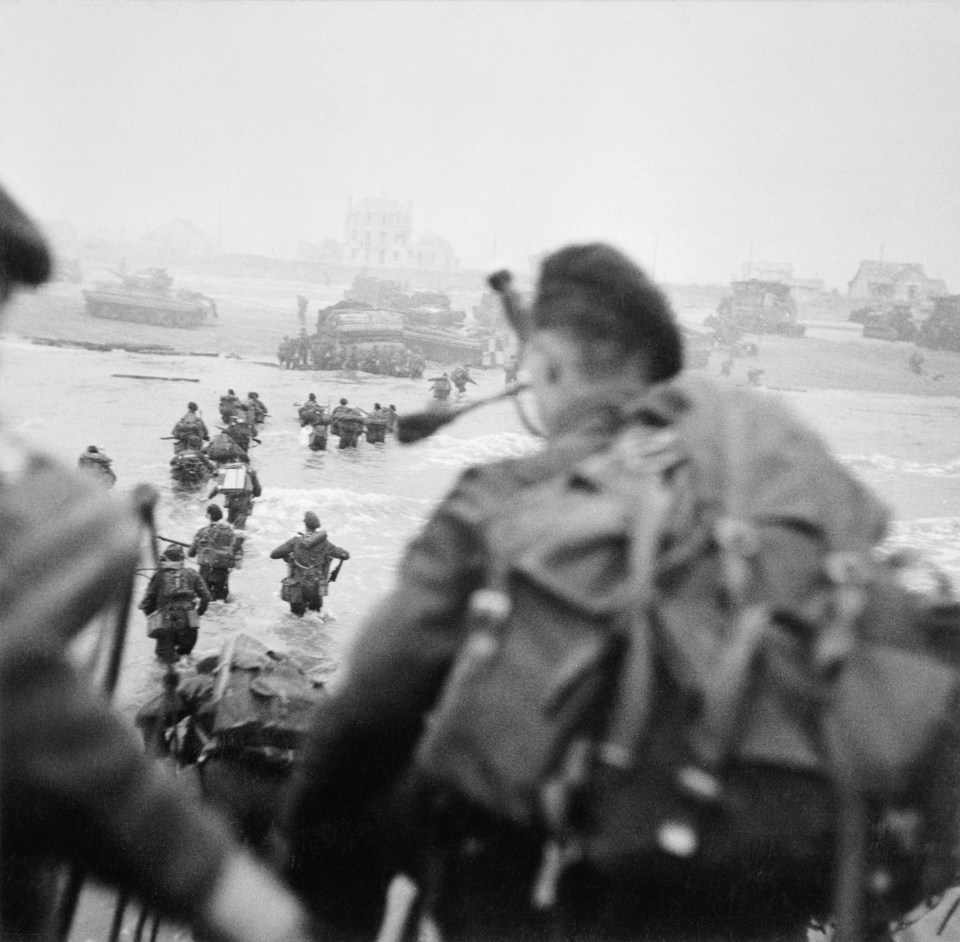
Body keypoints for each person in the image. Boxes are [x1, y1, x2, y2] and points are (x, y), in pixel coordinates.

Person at [283, 244, 889, 942]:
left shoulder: (500, 499)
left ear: (547, 364)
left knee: (349, 806)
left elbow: (367, 710)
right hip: (743, 891)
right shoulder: (779, 508)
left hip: (542, 899)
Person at [0, 181, 316, 942]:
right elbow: (67, 747)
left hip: (196, 584)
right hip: (211, 582)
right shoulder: (50, 523)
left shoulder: (63, 509)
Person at [139, 545, 212, 662]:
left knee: (164, 663)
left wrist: (154, 617)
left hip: (167, 622)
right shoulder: (192, 573)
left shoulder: (159, 576)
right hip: (190, 620)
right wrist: (198, 613)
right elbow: (206, 597)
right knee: (186, 658)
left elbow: (146, 604)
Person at [270, 511, 349, 617]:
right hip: (316, 588)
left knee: (296, 619)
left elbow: (274, 554)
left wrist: (289, 556)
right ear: (316, 527)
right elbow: (345, 555)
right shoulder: (325, 544)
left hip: (297, 588)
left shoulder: (296, 541)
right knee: (315, 618)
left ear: (305, 524)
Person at [188, 503, 244, 601]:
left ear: (209, 516)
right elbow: (236, 549)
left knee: (204, 599)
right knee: (221, 600)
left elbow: (191, 553)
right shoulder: (230, 532)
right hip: (222, 572)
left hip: (205, 571)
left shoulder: (202, 532)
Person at [208, 463, 262, 529]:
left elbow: (219, 486)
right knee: (239, 528)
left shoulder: (227, 467)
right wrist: (254, 494)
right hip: (244, 502)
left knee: (230, 523)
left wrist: (210, 496)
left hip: (230, 501)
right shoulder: (249, 470)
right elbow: (258, 491)